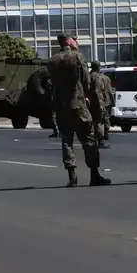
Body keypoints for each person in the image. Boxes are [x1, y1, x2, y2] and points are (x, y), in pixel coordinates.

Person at [48, 35, 110, 188]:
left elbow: (53, 84)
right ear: (69, 41)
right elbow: (86, 81)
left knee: (67, 141)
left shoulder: (53, 60)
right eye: (74, 39)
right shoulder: (78, 57)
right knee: (89, 139)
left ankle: (72, 176)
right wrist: (85, 96)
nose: (77, 42)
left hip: (62, 106)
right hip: (79, 104)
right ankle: (94, 174)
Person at [90, 61, 113, 149]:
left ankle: (93, 138)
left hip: (89, 102)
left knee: (92, 121)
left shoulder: (88, 76)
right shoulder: (98, 77)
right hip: (98, 102)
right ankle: (100, 140)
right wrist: (100, 104)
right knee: (100, 120)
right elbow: (98, 92)